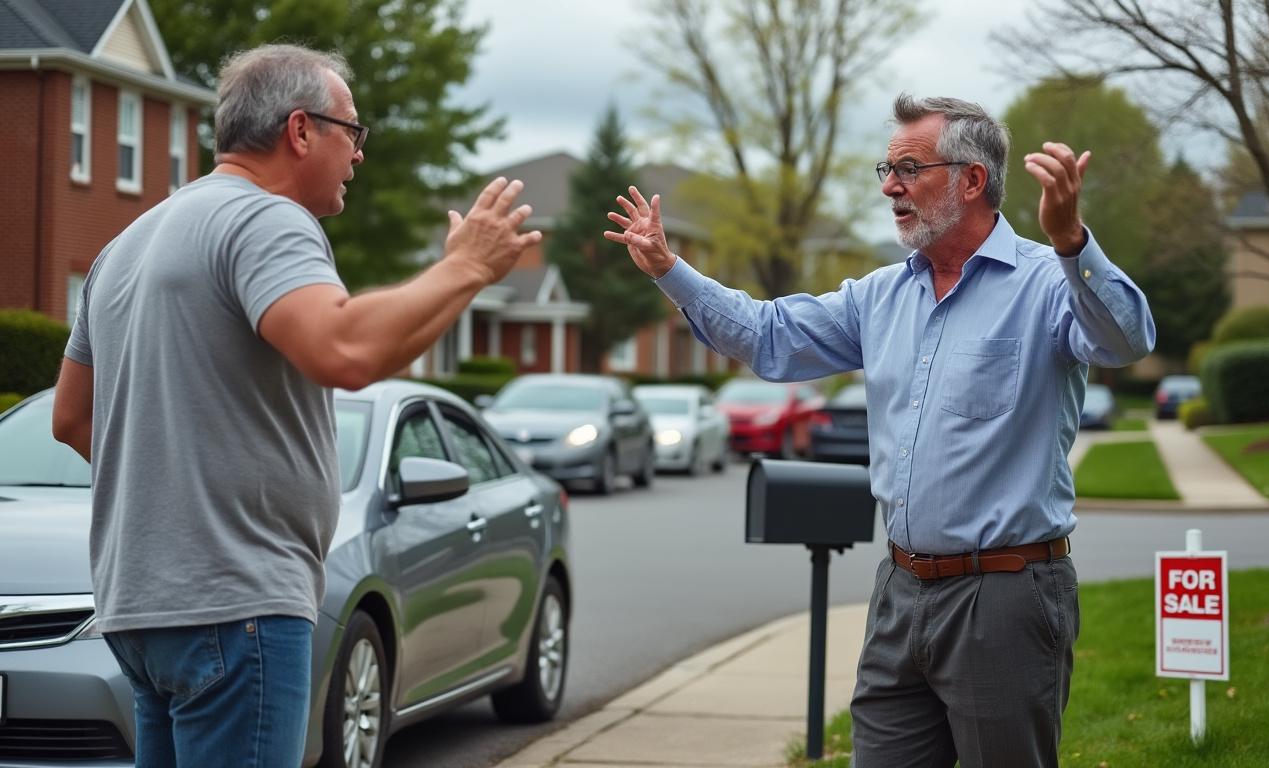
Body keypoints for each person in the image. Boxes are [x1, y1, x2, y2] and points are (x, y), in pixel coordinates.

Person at [604, 94, 1155, 767]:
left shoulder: (1044, 283)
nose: (890, 186)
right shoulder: (881, 297)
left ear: (971, 180)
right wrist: (670, 269)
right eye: (886, 168)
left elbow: (1126, 339)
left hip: (1005, 598)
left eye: (908, 167)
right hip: (900, 592)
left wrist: (1072, 243)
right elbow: (770, 336)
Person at [50, 43, 539, 765]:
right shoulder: (263, 220)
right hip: (236, 603)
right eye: (353, 132)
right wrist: (464, 265)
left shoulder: (126, 244)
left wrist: (183, 485)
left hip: (138, 609)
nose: (358, 155)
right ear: (300, 130)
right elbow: (344, 352)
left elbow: (70, 418)